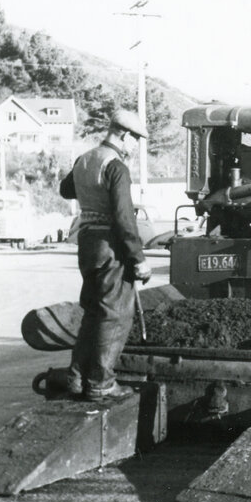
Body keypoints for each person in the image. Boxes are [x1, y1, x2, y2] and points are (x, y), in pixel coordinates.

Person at [58, 110, 152, 401]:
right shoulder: (116, 167)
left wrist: (91, 192)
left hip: (87, 242)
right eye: (135, 141)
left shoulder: (85, 159)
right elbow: (125, 219)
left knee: (93, 311)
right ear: (125, 135)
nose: (135, 148)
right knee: (115, 314)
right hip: (109, 244)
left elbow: (65, 190)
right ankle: (100, 383)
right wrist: (138, 259)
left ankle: (76, 377)